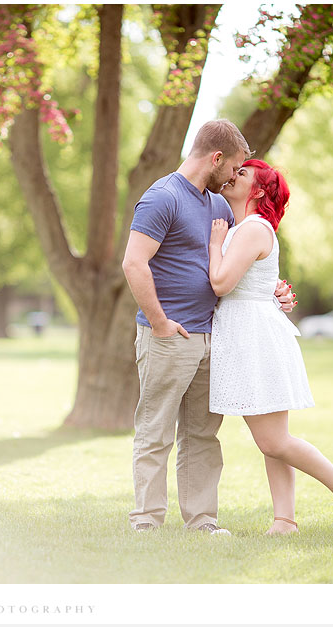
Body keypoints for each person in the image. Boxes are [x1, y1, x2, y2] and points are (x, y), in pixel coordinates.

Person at [121, 120, 294, 534]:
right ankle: (146, 521)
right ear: (215, 158)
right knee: (156, 430)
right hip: (168, 336)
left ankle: (201, 521)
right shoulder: (162, 197)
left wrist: (276, 290)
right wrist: (161, 323)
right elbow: (133, 263)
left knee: (202, 436)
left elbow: (242, 265)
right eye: (234, 168)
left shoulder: (218, 206)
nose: (236, 177)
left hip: (213, 337)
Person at [208, 159, 333, 536]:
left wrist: (215, 244)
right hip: (247, 334)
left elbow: (221, 284)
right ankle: (285, 521)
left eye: (243, 174)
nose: (233, 175)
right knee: (273, 442)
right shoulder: (243, 228)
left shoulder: (251, 229)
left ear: (260, 191)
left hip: (255, 339)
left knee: (274, 439)